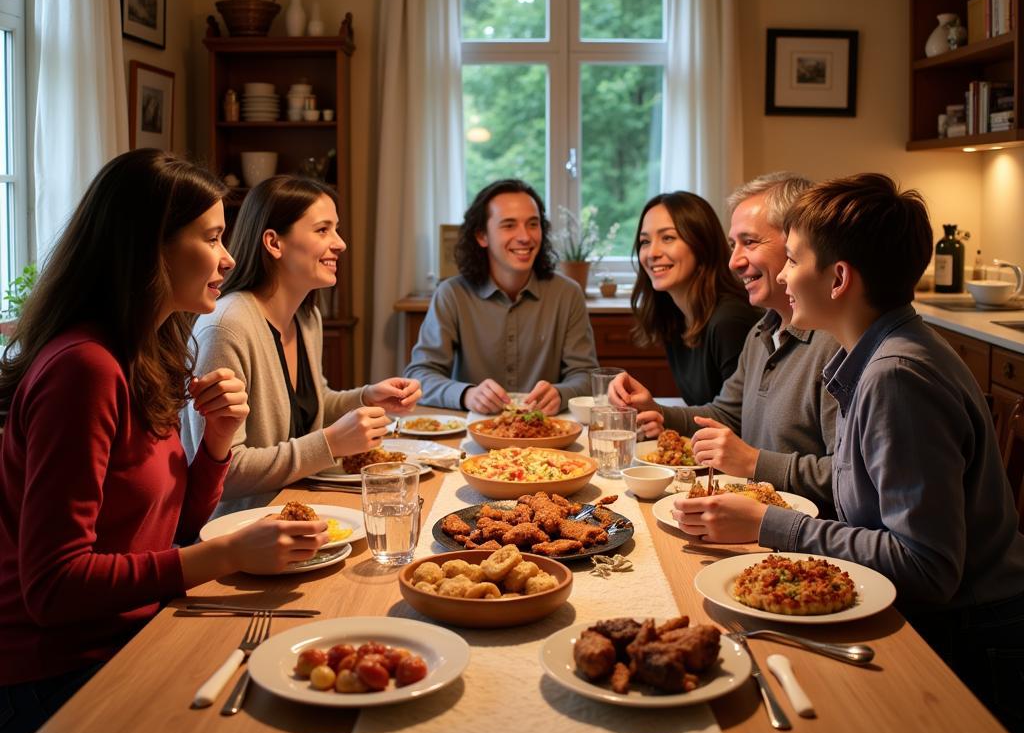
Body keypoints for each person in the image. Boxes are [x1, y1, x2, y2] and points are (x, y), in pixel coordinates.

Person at [0, 151, 330, 733]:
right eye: (211, 237)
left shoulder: (147, 352)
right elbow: (53, 587)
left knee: (307, 684)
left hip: (134, 623)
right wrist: (222, 554)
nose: (230, 258)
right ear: (151, 249)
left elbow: (175, 528)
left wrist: (219, 442)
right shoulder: (84, 369)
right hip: (59, 665)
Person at [674, 173, 1024, 733]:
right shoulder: (875, 354)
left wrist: (769, 523)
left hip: (967, 642)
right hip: (935, 618)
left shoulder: (896, 376)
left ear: (837, 279)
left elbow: (928, 568)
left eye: (791, 259)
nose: (783, 276)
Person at [181, 175, 420, 515]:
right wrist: (330, 443)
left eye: (336, 229)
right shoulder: (226, 326)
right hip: (240, 531)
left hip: (301, 506)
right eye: (323, 230)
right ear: (274, 243)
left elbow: (312, 405)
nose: (340, 243)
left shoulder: (307, 317)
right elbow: (224, 472)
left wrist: (366, 396)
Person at [610, 173, 839, 513]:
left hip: (801, 533)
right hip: (753, 515)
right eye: (734, 245)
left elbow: (847, 478)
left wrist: (753, 461)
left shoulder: (836, 345)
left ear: (797, 243)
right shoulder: (763, 331)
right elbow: (726, 414)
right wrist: (657, 411)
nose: (734, 261)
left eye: (750, 242)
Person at [405, 178, 599, 413]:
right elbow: (419, 376)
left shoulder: (567, 294)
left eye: (533, 224)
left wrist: (561, 393)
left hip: (547, 435)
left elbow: (586, 376)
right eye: (509, 225)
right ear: (481, 236)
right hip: (473, 436)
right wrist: (467, 394)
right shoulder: (452, 295)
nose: (525, 237)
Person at [614, 191, 759, 406]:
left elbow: (739, 419)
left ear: (702, 244)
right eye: (645, 241)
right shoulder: (674, 317)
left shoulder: (729, 321)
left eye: (668, 238)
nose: (652, 252)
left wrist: (661, 415)